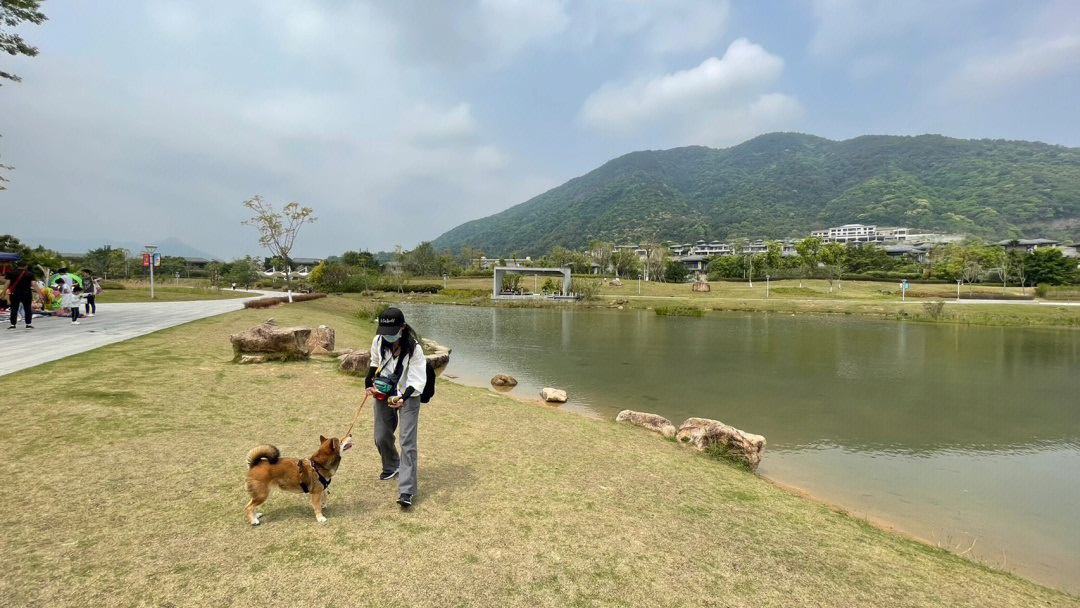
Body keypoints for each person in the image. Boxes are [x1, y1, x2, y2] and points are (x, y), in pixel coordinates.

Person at [365, 307, 427, 508]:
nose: (387, 337)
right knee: (381, 435)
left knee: (407, 442)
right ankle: (391, 465)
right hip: (385, 392)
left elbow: (416, 380)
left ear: (403, 328)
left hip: (409, 395)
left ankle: (406, 490)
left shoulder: (414, 349)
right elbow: (375, 363)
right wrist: (369, 383)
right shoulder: (379, 341)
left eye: (391, 333)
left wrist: (402, 397)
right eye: (384, 332)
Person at [5, 260, 35, 329]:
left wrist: (3, 293)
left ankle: (13, 324)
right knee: (27, 308)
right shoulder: (29, 274)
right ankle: (28, 324)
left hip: (14, 293)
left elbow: (7, 284)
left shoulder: (11, 273)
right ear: (26, 266)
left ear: (17, 265)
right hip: (26, 293)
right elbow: (34, 284)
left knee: (14, 308)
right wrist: (40, 293)